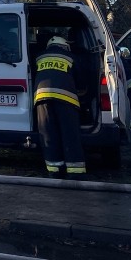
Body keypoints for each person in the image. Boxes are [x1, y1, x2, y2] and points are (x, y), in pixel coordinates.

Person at [34, 35, 86, 179]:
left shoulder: (38, 57)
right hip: (66, 99)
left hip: (41, 98)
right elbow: (80, 80)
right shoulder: (71, 57)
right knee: (69, 134)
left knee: (48, 134)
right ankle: (75, 172)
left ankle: (54, 170)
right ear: (65, 46)